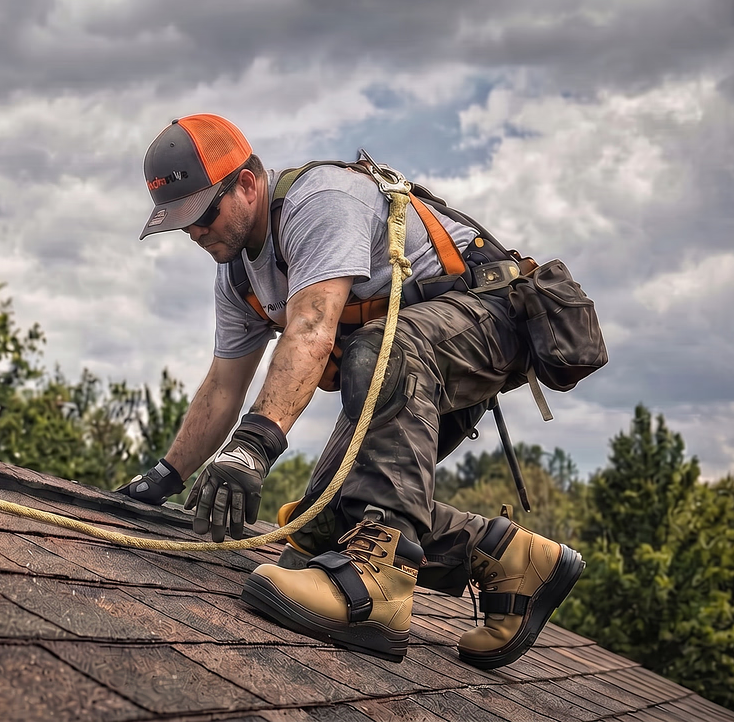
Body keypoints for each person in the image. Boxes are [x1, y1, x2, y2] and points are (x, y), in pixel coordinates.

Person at [116, 113, 585, 668]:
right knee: (321, 520)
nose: (194, 233)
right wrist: (166, 475)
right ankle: (511, 558)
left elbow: (312, 328)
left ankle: (377, 593)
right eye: (181, 224)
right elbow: (224, 384)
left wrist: (254, 448)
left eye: (202, 214)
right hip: (405, 364)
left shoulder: (321, 202)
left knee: (378, 347)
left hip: (487, 319)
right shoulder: (238, 275)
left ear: (246, 184)